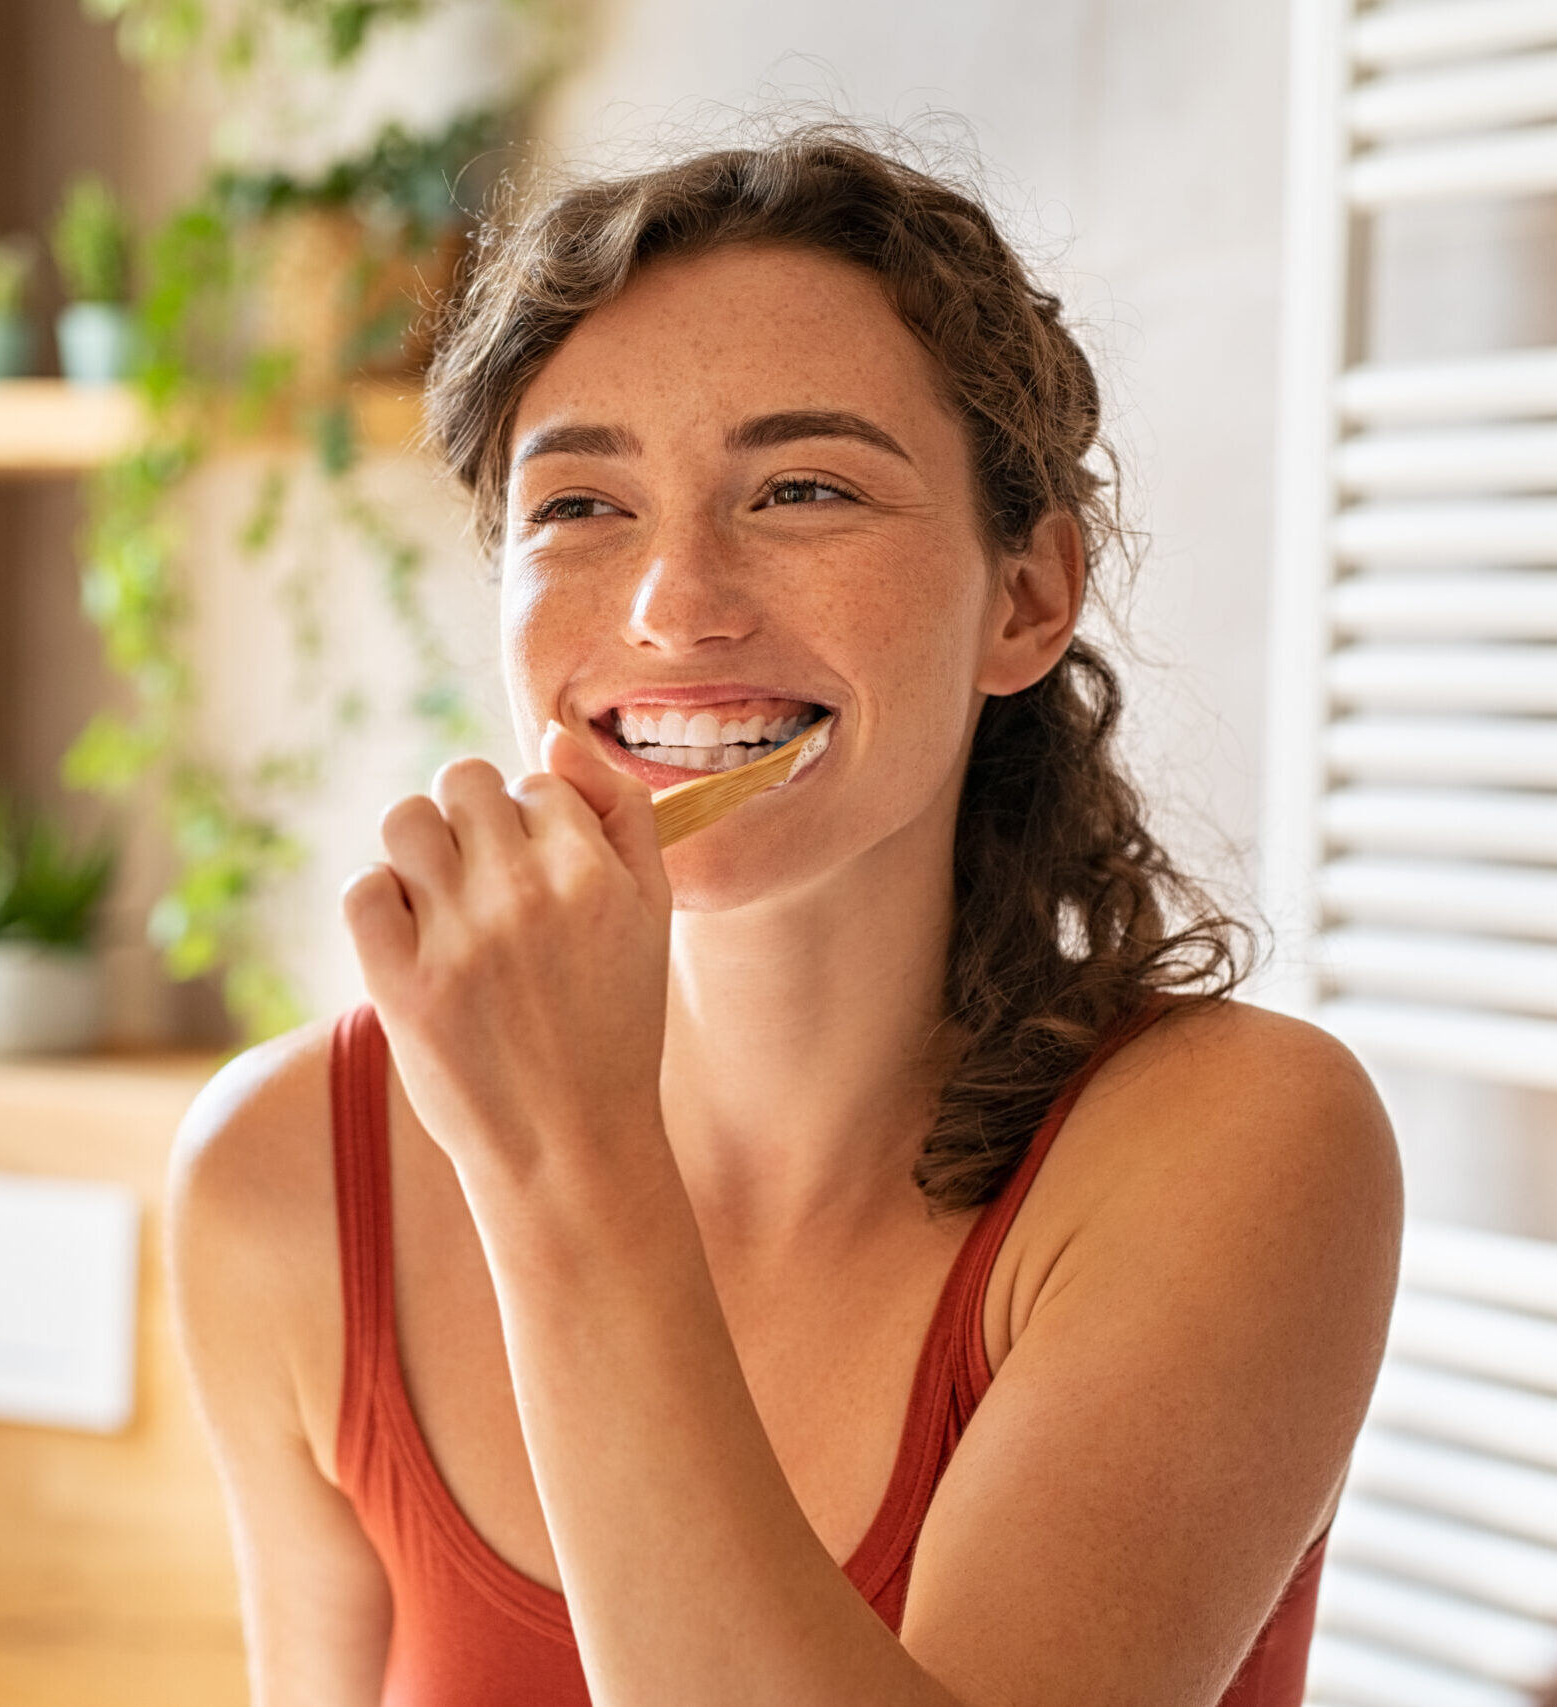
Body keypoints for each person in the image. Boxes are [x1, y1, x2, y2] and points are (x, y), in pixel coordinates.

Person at [167, 125, 1403, 1707]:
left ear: (1023, 600)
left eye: (804, 487)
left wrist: (564, 1161)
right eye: (579, 507)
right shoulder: (283, 1172)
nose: (675, 603)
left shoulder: (1237, 1148)